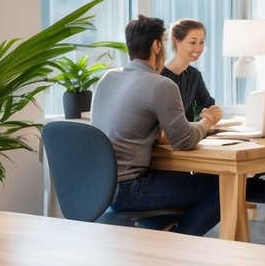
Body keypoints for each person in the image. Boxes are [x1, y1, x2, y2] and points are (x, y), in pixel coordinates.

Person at [90, 15, 225, 236]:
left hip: (102, 186)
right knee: (223, 186)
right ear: (156, 45)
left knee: (187, 186)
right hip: (130, 188)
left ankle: (161, 230)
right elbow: (184, 141)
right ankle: (179, 239)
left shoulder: (108, 78)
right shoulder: (161, 84)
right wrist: (208, 121)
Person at [161, 18, 222, 122]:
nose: (199, 48)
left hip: (188, 134)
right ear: (177, 41)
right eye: (193, 42)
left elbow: (209, 104)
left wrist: (215, 111)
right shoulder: (160, 75)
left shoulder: (194, 75)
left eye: (201, 42)